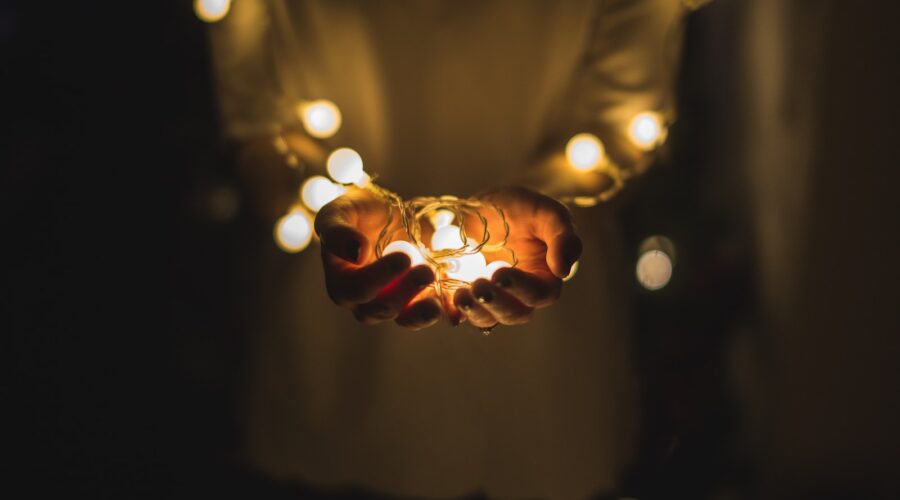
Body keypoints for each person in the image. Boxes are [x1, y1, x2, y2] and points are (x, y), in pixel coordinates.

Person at [208, 1, 698, 498]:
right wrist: (313, 205)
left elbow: (622, 121)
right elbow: (255, 120)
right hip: (332, 370)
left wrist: (544, 214)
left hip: (541, 380)